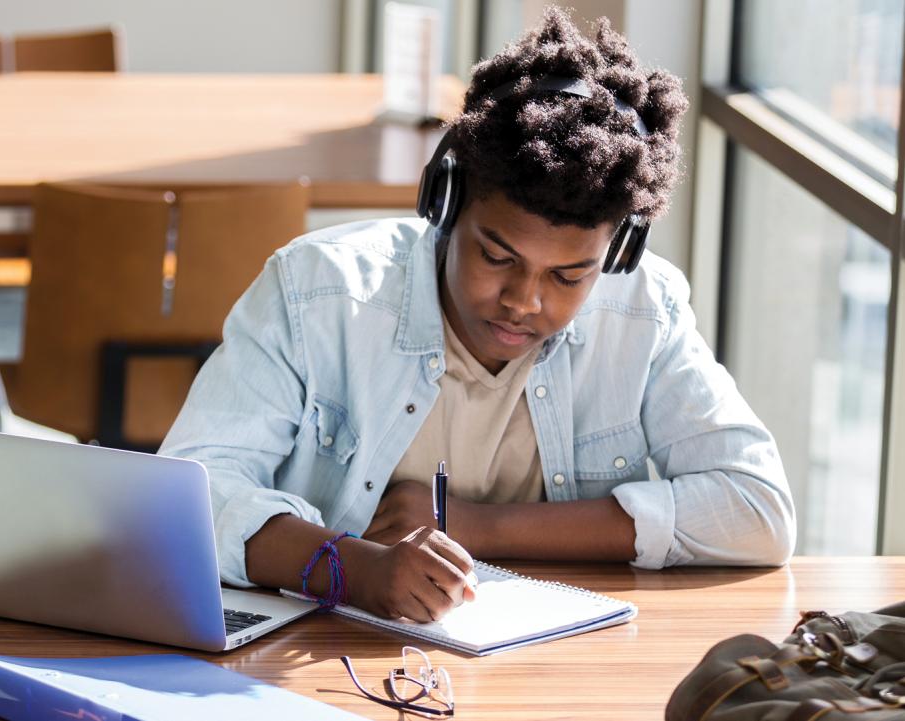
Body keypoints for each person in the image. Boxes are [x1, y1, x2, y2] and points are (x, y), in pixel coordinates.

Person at [160, 7, 795, 623]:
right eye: (496, 256)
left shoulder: (643, 312)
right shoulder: (316, 291)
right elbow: (191, 496)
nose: (524, 301)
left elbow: (756, 509)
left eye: (570, 276)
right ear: (445, 203)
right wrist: (354, 570)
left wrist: (478, 525)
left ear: (617, 252)